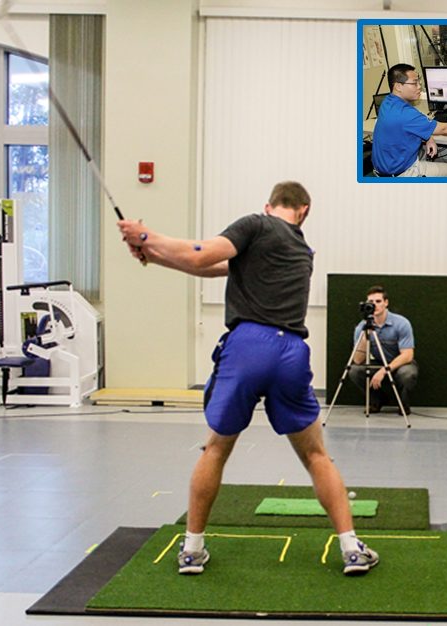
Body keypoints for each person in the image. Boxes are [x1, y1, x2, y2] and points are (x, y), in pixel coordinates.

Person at [117, 181, 378, 577]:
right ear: (304, 211)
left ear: (268, 205)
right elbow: (208, 265)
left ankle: (192, 549)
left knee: (216, 449)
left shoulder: (256, 225)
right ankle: (351, 548)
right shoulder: (302, 251)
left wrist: (146, 236)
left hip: (247, 346)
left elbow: (200, 253)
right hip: (290, 350)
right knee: (315, 455)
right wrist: (154, 255)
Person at [371, 63, 447, 177]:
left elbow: (413, 123)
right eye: (414, 83)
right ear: (398, 86)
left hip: (382, 169)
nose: (419, 86)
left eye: (419, 82)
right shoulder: (406, 114)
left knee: (422, 153)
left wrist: (428, 136)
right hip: (401, 173)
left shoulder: (388, 102)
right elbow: (444, 129)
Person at [349, 286, 417, 415]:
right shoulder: (361, 327)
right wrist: (365, 337)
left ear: (386, 303)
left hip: (401, 363)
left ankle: (403, 404)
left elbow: (408, 355)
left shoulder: (401, 323)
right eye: (371, 302)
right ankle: (377, 400)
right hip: (379, 362)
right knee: (354, 371)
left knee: (408, 373)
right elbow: (357, 360)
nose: (374, 305)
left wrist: (384, 370)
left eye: (378, 301)